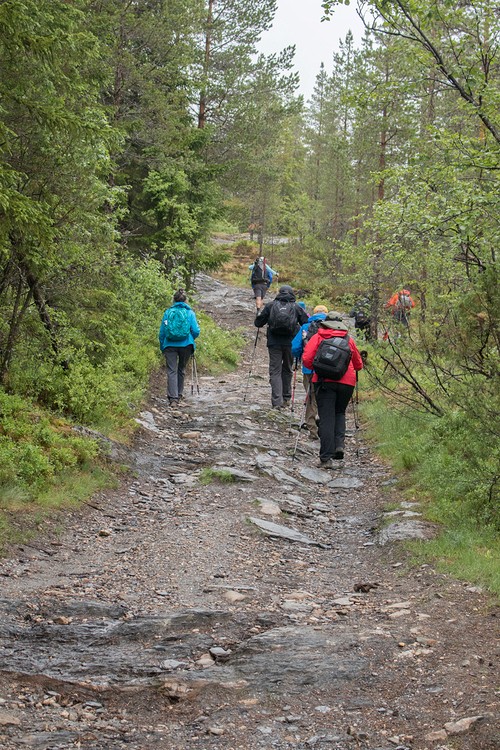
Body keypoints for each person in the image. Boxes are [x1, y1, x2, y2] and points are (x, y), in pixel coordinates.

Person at [303, 311, 363, 468]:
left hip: (324, 381)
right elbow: (358, 364)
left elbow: (307, 360)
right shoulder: (349, 340)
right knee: (340, 413)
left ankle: (326, 458)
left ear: (325, 323)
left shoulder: (318, 336)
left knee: (326, 417)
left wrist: (316, 367)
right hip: (347, 383)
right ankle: (339, 446)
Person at [254, 285, 309, 409]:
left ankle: (276, 402)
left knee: (275, 371)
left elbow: (258, 323)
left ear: (279, 293)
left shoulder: (271, 305)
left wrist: (261, 316)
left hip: (274, 343)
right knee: (288, 369)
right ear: (292, 293)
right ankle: (286, 398)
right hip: (291, 342)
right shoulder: (296, 307)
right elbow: (306, 323)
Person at [291, 304, 328, 439]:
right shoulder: (332, 328)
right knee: (325, 396)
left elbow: (295, 347)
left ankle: (312, 429)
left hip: (309, 368)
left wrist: (300, 357)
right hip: (328, 370)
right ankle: (325, 426)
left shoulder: (306, 326)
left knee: (311, 396)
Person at [158, 289, 200, 407]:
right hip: (186, 344)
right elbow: (196, 331)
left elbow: (162, 332)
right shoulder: (190, 313)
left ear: (174, 300)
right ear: (185, 300)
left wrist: (162, 346)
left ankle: (173, 399)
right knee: (181, 369)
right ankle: (180, 394)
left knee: (172, 370)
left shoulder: (168, 312)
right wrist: (191, 338)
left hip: (169, 344)